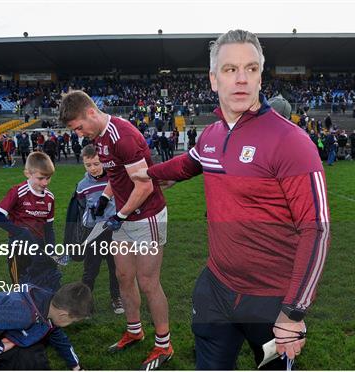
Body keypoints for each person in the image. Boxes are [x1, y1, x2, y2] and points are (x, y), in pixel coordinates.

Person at [131, 30, 330, 370]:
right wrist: (148, 174)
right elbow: (189, 163)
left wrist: (293, 312)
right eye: (230, 69)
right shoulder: (213, 132)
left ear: (260, 76)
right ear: (213, 79)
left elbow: (317, 229)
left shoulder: (291, 142)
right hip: (216, 288)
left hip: (271, 298)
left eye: (251, 69)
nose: (241, 79)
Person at [60, 90, 172, 370]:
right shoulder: (99, 138)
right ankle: (134, 330)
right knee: (123, 276)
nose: (79, 134)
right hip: (123, 215)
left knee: (148, 282)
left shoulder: (123, 136)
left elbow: (144, 186)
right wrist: (106, 199)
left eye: (78, 127)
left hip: (147, 216)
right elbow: (117, 175)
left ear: (90, 113)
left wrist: (118, 215)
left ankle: (164, 344)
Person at [0, 282, 91, 370]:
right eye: (73, 321)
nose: (71, 324)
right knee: (5, 362)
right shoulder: (23, 314)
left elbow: (59, 338)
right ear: (63, 315)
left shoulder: (48, 304)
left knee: (25, 351)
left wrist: (76, 367)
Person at [65, 145, 124, 314]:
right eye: (88, 165)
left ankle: (116, 298)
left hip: (115, 231)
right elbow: (80, 211)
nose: (93, 168)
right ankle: (85, 303)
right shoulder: (82, 186)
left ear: (104, 161)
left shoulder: (115, 179)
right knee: (90, 270)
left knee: (116, 268)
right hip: (94, 233)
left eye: (97, 164)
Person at [0, 152, 60, 289]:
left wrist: (51, 250)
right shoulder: (17, 192)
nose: (45, 182)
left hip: (38, 247)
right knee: (20, 289)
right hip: (18, 248)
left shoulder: (50, 197)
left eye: (48, 178)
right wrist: (21, 233)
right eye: (41, 178)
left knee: (43, 286)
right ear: (28, 173)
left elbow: (48, 228)